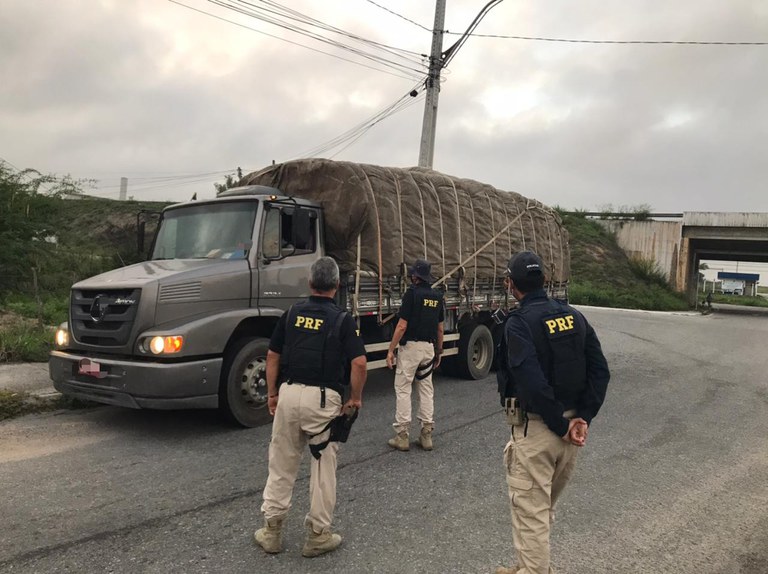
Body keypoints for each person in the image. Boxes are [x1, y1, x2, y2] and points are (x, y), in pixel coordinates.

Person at [495, 251, 610, 574]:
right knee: (540, 510)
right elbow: (600, 371)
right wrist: (582, 418)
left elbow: (530, 381)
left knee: (530, 512)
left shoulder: (518, 324)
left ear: (510, 284)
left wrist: (560, 425)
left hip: (541, 430)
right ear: (544, 281)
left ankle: (532, 570)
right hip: (571, 433)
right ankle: (524, 566)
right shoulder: (574, 316)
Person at [254, 256, 367, 558]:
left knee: (281, 463)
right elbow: (358, 363)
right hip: (323, 399)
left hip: (289, 394)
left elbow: (273, 356)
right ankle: (318, 535)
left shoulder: (290, 314)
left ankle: (272, 531)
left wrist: (272, 393)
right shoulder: (343, 320)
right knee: (322, 467)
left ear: (310, 283)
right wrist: (354, 399)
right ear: (337, 286)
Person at [385, 259, 445, 451]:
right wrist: (439, 351)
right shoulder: (437, 296)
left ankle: (402, 435)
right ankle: (426, 434)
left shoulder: (411, 294)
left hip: (410, 348)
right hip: (428, 348)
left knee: (403, 388)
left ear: (415, 276)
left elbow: (402, 325)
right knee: (426, 389)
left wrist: (391, 349)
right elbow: (440, 329)